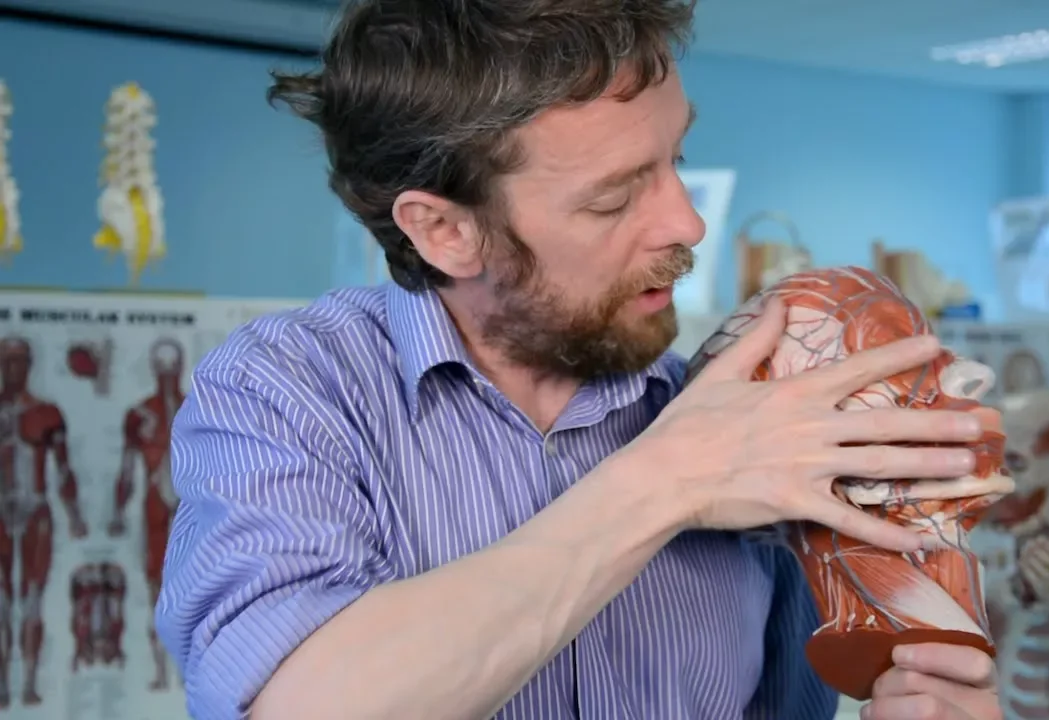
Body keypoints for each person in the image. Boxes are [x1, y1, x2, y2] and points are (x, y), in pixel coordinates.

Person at [154, 2, 1001, 719]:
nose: (686, 224)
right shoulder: (286, 391)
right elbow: (297, 703)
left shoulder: (741, 423)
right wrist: (668, 482)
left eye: (675, 160)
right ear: (444, 231)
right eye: (615, 197)